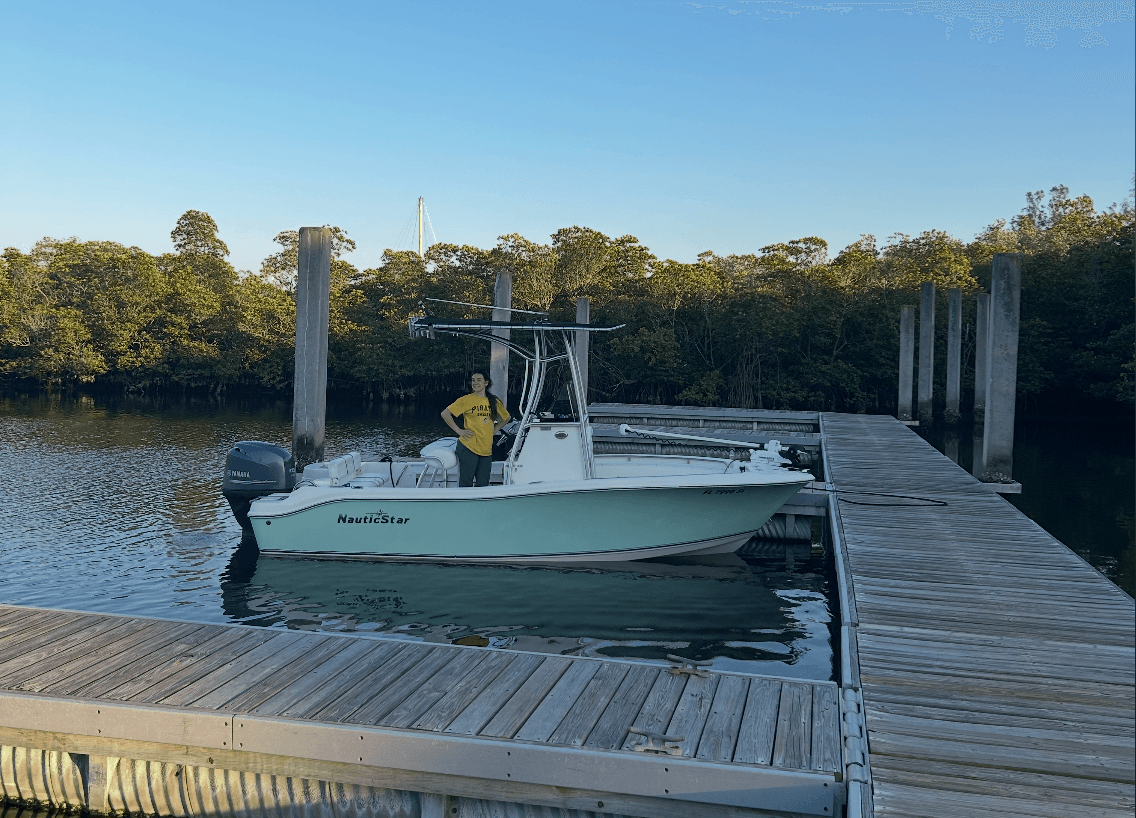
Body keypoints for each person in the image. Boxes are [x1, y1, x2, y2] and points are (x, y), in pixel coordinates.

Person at [441, 372, 510, 487]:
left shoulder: (494, 401)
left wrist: (495, 429)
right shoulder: (466, 399)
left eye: (479, 380)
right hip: (468, 446)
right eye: (473, 380)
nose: (475, 383)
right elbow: (445, 414)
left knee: (483, 484)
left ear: (486, 383)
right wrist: (459, 431)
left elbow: (506, 418)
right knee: (466, 483)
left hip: (486, 449)